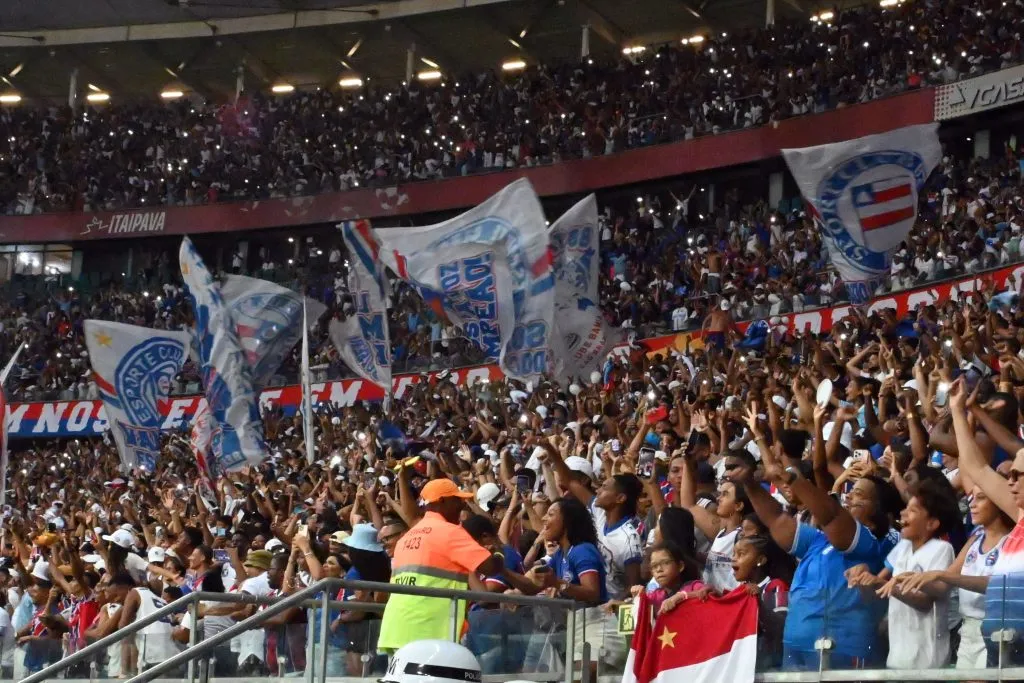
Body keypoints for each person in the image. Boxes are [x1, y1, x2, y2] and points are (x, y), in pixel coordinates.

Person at [377, 479, 501, 652]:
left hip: (396, 632)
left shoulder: (406, 537)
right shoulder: (450, 531)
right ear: (442, 501)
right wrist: (499, 553)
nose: (461, 504)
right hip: (430, 635)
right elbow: (490, 568)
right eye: (457, 500)